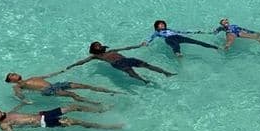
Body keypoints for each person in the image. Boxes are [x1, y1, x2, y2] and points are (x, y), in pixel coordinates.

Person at [45, 41, 176, 85]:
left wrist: (139, 45)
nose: (99, 45)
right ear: (93, 49)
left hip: (126, 59)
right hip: (117, 64)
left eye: (99, 44)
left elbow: (126, 48)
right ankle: (143, 81)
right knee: (131, 72)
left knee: (146, 65)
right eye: (96, 45)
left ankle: (166, 73)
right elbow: (82, 62)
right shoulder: (95, 57)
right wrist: (70, 66)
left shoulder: (112, 50)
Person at [0, 104, 121, 131]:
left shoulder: (8, 113)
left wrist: (21, 102)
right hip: (44, 122)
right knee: (75, 121)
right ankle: (107, 127)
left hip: (43, 114)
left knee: (73, 106)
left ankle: (100, 110)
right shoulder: (3, 124)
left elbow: (17, 113)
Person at [4, 72, 119, 105]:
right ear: (11, 80)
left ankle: (109, 91)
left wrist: (61, 71)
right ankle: (94, 103)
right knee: (72, 95)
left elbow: (48, 76)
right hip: (48, 90)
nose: (15, 74)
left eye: (14, 73)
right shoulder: (17, 86)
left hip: (55, 85)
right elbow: (19, 95)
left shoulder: (33, 77)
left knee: (83, 86)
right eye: (12, 75)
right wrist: (26, 101)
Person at [142, 20, 218, 56]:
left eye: (163, 24)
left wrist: (194, 32)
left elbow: (181, 31)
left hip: (178, 37)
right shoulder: (157, 32)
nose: (162, 25)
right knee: (175, 45)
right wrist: (146, 42)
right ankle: (178, 54)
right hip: (169, 39)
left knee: (196, 42)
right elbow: (151, 37)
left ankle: (215, 47)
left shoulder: (170, 29)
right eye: (160, 25)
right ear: (157, 26)